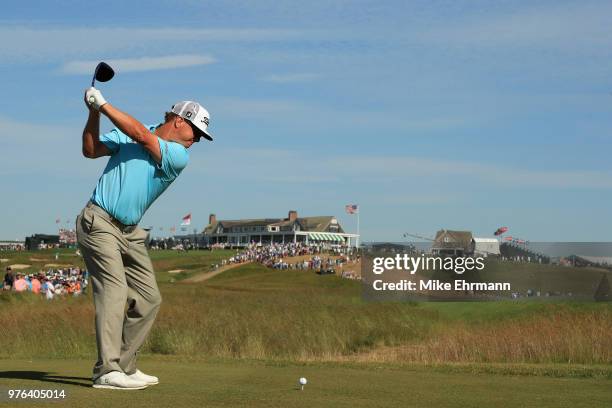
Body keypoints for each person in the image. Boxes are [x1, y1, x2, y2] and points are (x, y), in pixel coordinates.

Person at [77, 87, 213, 390]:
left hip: (130, 233)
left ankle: (124, 365)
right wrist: (92, 113)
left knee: (149, 299)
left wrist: (102, 104)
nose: (196, 141)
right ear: (179, 121)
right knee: (114, 291)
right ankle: (107, 370)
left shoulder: (178, 155)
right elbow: (90, 150)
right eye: (196, 132)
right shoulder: (130, 130)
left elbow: (140, 135)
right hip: (98, 222)